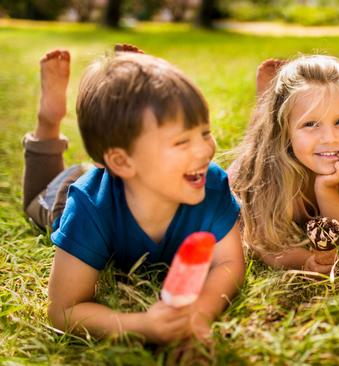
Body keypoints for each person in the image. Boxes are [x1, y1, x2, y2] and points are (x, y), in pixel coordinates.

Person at [22, 46, 245, 344]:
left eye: (205, 133)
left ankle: (125, 79)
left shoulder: (210, 183)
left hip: (128, 175)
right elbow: (63, 309)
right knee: (39, 201)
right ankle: (49, 122)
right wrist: (141, 324)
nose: (205, 150)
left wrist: (200, 312)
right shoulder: (87, 207)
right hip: (70, 192)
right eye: (182, 142)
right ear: (123, 161)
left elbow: (229, 263)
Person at [230, 55, 339, 274]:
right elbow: (265, 246)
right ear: (285, 132)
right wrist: (305, 260)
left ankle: (271, 102)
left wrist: (326, 189)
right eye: (310, 124)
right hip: (255, 168)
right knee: (257, 138)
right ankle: (263, 100)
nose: (329, 138)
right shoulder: (266, 171)